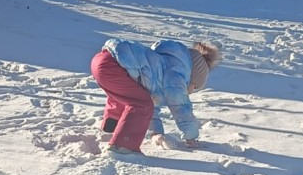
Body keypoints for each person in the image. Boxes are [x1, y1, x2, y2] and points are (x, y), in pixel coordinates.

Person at [90, 37, 223, 155]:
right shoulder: (176, 75)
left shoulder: (160, 67)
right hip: (114, 64)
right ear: (191, 76)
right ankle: (123, 146)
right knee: (141, 104)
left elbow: (152, 107)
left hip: (103, 59)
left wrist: (156, 132)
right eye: (194, 86)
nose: (191, 91)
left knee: (129, 95)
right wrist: (191, 136)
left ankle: (111, 123)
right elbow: (181, 107)